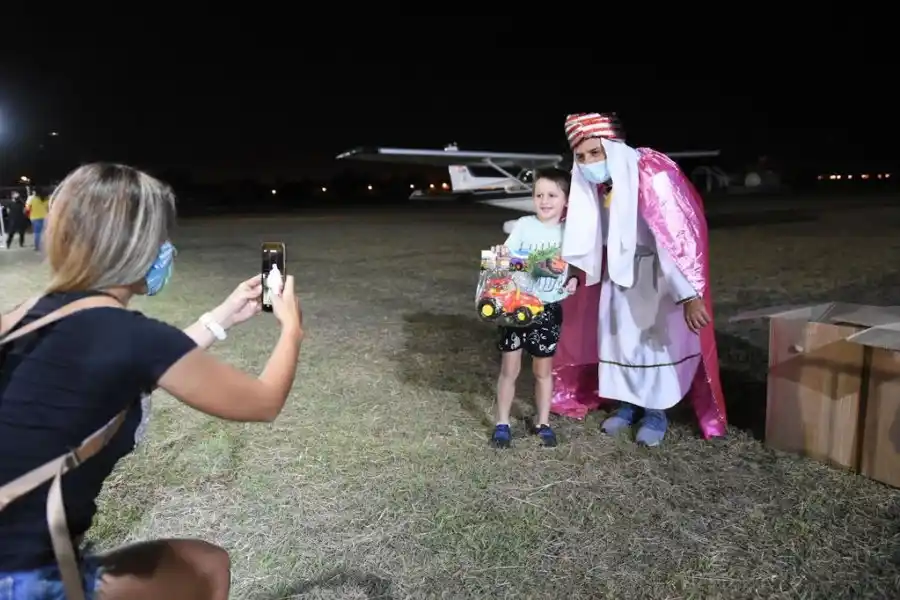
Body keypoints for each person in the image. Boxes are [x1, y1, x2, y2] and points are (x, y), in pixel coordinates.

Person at [0, 163, 304, 600]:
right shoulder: (131, 337)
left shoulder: (24, 318)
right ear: (136, 247)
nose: (166, 250)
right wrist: (291, 328)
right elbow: (265, 401)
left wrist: (222, 317)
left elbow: (119, 367)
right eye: (160, 237)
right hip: (22, 582)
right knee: (207, 566)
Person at [553, 112, 727, 446]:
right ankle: (627, 404)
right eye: (581, 156)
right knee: (618, 341)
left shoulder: (651, 177)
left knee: (652, 346)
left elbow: (672, 240)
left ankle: (655, 411)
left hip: (654, 281)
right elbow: (587, 236)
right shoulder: (600, 187)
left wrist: (687, 295)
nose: (589, 162)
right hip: (616, 281)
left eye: (595, 152)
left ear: (614, 148)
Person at [489, 168, 579, 449]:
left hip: (548, 310)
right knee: (509, 369)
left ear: (566, 199)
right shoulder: (524, 225)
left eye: (552, 195)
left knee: (543, 372)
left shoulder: (571, 232)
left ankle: (543, 422)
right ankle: (502, 423)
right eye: (539, 194)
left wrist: (574, 278)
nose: (544, 200)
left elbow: (577, 265)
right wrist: (520, 264)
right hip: (516, 308)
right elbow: (502, 259)